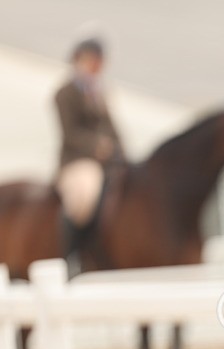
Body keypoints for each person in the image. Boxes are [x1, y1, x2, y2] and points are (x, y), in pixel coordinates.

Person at [54, 36, 125, 268]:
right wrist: (97, 146)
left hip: (108, 160)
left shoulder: (100, 93)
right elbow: (70, 134)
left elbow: (112, 128)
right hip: (79, 161)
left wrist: (123, 152)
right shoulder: (65, 93)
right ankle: (72, 255)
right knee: (85, 195)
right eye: (91, 60)